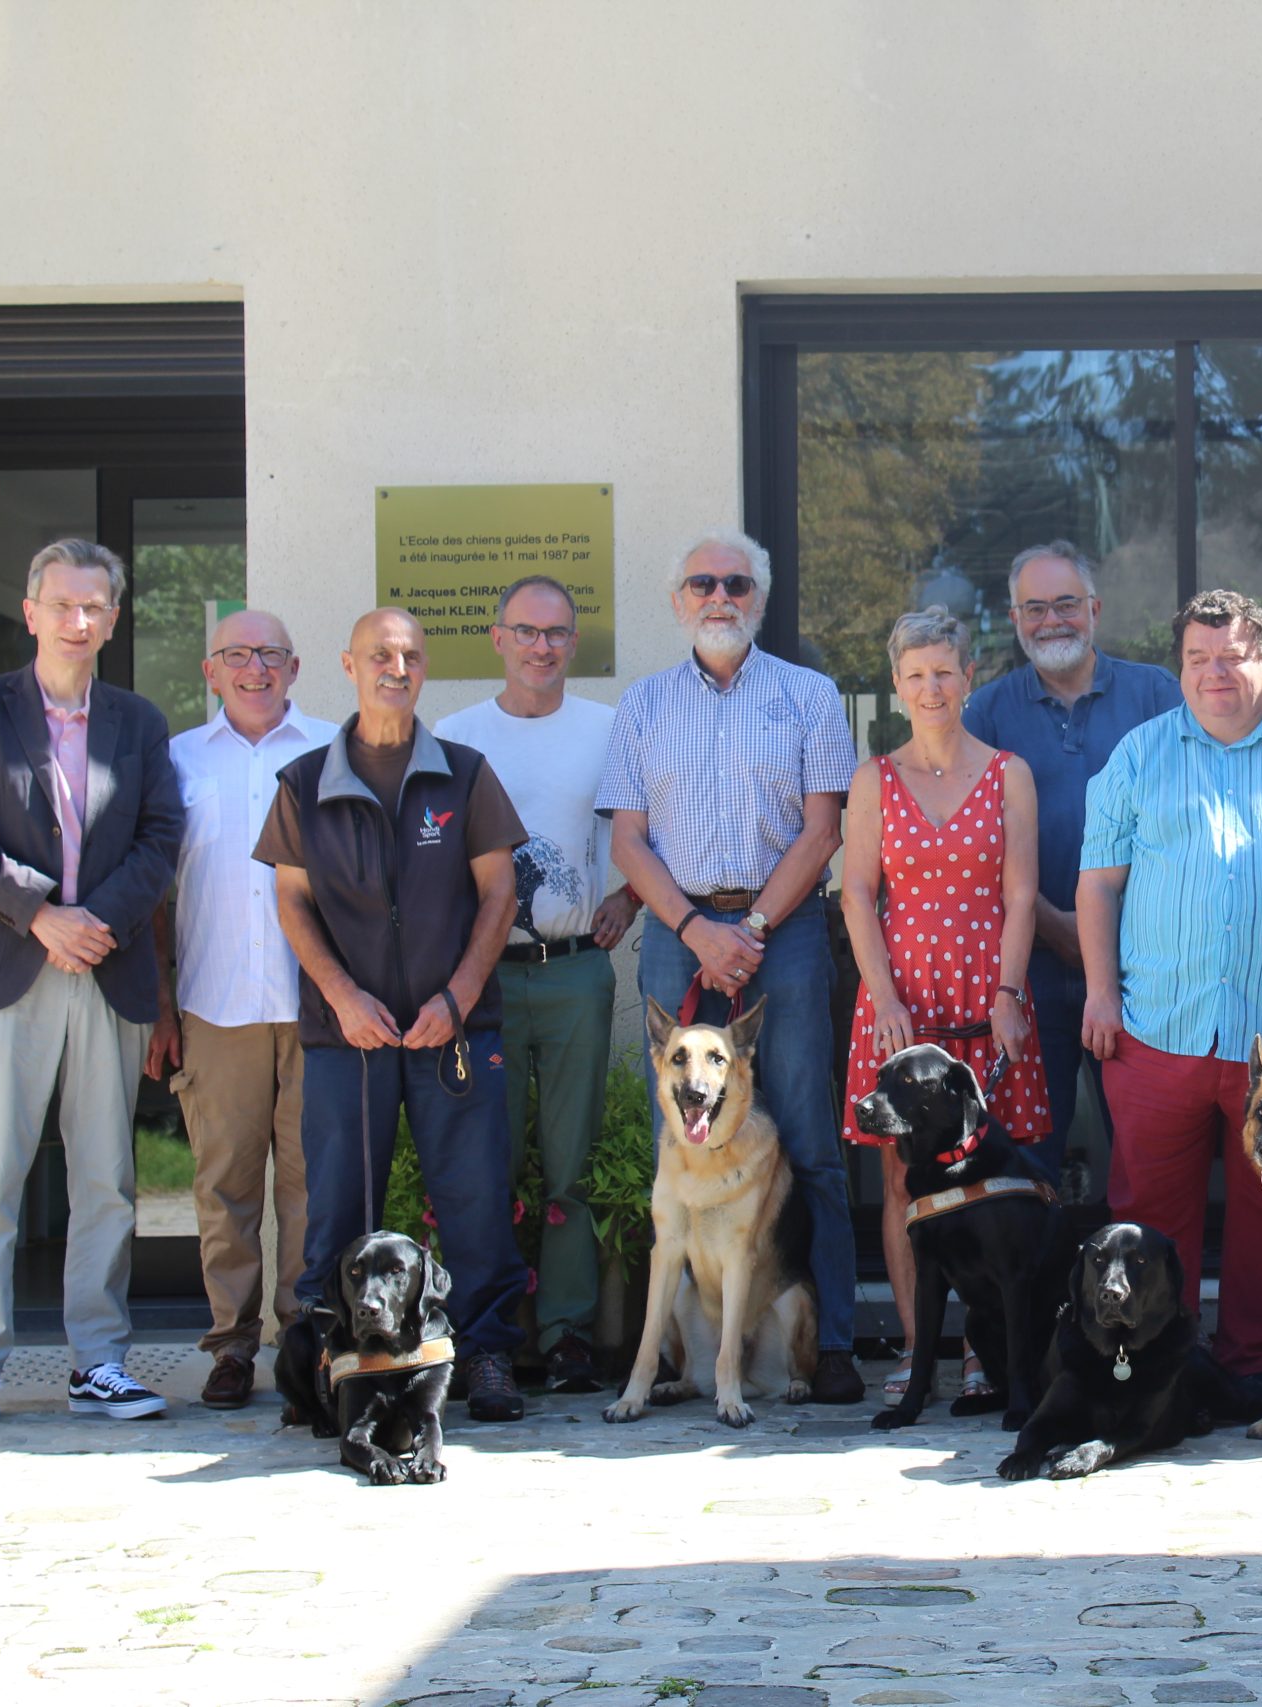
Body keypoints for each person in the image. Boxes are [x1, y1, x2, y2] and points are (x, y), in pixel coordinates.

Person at [600, 529, 865, 1404]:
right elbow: (628, 839)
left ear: (760, 598)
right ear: (678, 600)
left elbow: (822, 830)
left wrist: (747, 924)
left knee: (810, 1138)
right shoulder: (641, 706)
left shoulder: (810, 695)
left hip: (780, 925)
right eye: (702, 582)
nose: (720, 596)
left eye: (737, 584)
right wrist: (692, 925)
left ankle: (828, 1342)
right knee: (684, 1134)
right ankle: (682, 1352)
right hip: (678, 926)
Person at [1077, 588, 1262, 1401]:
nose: (1213, 673)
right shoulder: (1136, 757)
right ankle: (1150, 1365)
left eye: (1230, 656)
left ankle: (1256, 1369)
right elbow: (1097, 887)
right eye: (1197, 658)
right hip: (1158, 1027)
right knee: (1147, 1216)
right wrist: (1100, 993)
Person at [0, 539, 185, 1427]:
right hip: (9, 966)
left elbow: (162, 836)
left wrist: (94, 924)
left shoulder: (139, 722)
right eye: (63, 604)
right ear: (30, 611)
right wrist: (43, 913)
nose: (79, 621)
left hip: (107, 968)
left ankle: (99, 1361)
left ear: (114, 621)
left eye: (96, 607)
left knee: (108, 1177)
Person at [255, 607, 530, 1421]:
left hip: (453, 1035)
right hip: (350, 1038)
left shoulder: (466, 774)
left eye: (410, 655)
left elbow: (499, 893)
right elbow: (292, 904)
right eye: (381, 654)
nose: (396, 668)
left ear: (425, 666)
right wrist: (343, 996)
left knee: (477, 1201)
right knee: (336, 1208)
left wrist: (458, 997)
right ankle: (333, 1363)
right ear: (349, 664)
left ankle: (485, 1357)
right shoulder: (304, 783)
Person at [434, 576, 640, 1396]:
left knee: (571, 1159)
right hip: (482, 983)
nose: (542, 647)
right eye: (526, 631)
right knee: (485, 1159)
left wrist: (627, 897)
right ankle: (488, 1333)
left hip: (572, 971)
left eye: (557, 633)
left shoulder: (608, 728)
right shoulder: (456, 736)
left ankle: (565, 1333)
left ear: (573, 641)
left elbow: (638, 830)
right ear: (497, 638)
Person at [842, 607, 1046, 1402]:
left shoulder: (1009, 773)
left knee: (988, 1176)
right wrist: (885, 997)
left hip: (984, 989)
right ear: (896, 683)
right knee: (904, 1180)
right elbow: (858, 894)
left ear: (969, 678)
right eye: (916, 674)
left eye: (945, 672)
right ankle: (919, 1344)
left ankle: (981, 1347)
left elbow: (1022, 894)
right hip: (900, 999)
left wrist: (1005, 993)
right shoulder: (874, 778)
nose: (931, 687)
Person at [147, 610, 335, 1411]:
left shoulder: (335, 750)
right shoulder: (176, 762)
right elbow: (155, 893)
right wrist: (160, 1003)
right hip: (212, 1004)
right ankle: (230, 1346)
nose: (255, 669)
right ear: (209, 670)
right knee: (223, 1184)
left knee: (307, 1184)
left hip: (318, 1003)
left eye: (270, 655)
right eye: (237, 655)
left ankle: (303, 1344)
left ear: (295, 669)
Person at [959, 541, 1179, 1180]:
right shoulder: (989, 712)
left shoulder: (1155, 694)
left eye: (1066, 604)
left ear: (1095, 609)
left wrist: (1107, 939)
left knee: (1149, 1159)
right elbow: (980, 849)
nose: (1052, 620)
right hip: (1034, 973)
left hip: (1145, 972)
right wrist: (1064, 929)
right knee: (1031, 1160)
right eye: (1035, 608)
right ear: (1014, 620)